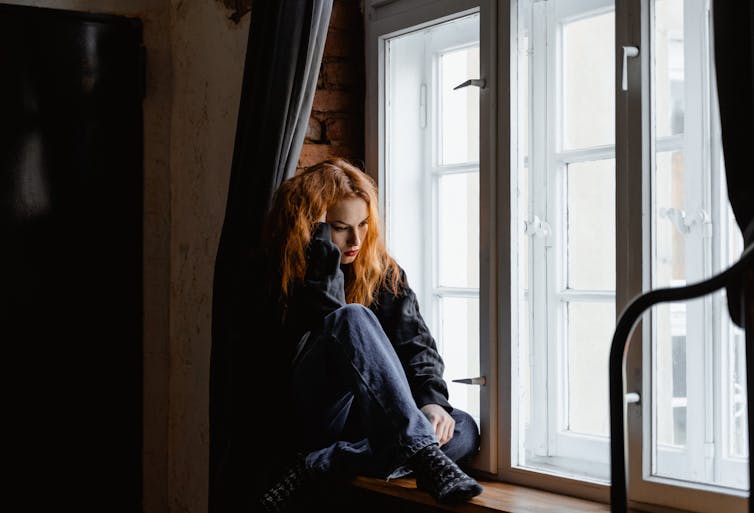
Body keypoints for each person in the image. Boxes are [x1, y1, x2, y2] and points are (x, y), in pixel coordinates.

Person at [257, 158, 483, 512]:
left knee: (463, 429)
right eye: (339, 227)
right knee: (350, 317)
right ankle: (412, 451)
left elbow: (416, 346)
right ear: (310, 227)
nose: (356, 239)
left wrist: (432, 402)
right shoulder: (281, 274)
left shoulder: (382, 271)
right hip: (315, 413)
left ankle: (322, 463)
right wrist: (323, 259)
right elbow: (324, 328)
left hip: (367, 425)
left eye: (363, 224)